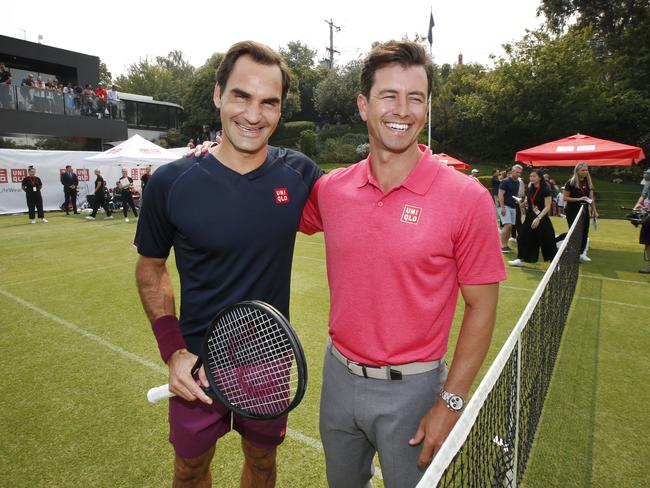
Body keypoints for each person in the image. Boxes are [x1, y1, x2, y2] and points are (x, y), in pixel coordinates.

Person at [299, 40, 506, 488]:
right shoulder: (332, 190)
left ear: (427, 107)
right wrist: (221, 155)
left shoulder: (467, 199)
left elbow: (483, 307)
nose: (403, 109)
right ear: (363, 105)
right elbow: (270, 206)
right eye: (389, 95)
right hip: (338, 379)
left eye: (415, 98)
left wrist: (450, 402)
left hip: (414, 391)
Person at [134, 41, 322, 488]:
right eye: (241, 95)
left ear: (280, 110)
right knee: (190, 468)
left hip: (270, 361)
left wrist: (416, 164)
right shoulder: (170, 182)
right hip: (198, 363)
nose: (253, 114)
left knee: (261, 462)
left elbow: (364, 199)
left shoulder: (299, 173)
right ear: (218, 94)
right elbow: (151, 269)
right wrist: (173, 351)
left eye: (268, 102)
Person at [508, 169, 557, 267]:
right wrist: (523, 204)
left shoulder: (545, 189)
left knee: (548, 240)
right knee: (521, 236)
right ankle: (520, 259)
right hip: (530, 217)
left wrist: (538, 218)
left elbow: (547, 206)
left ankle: (555, 263)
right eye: (530, 176)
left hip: (542, 218)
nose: (532, 178)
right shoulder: (530, 188)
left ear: (539, 177)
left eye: (534, 176)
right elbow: (529, 201)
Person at [563, 162, 598, 262]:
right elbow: (565, 198)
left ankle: (581, 253)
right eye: (583, 170)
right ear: (577, 171)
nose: (585, 172)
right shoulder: (571, 182)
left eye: (586, 170)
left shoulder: (588, 183)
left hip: (584, 210)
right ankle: (572, 253)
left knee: (584, 231)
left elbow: (591, 198)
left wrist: (594, 211)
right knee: (574, 232)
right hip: (572, 211)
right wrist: (579, 199)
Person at [498, 164, 523, 253]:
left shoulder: (518, 182)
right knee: (507, 225)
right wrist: (502, 207)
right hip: (504, 206)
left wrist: (518, 201)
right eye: (516, 172)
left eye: (520, 173)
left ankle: (505, 245)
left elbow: (513, 195)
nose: (518, 174)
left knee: (511, 227)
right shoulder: (505, 182)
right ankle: (502, 246)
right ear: (512, 172)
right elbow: (500, 195)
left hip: (513, 206)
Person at [633, 168, 650, 273]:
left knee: (648, 242)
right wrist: (637, 207)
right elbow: (643, 197)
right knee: (647, 242)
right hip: (647, 216)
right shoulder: (647, 185)